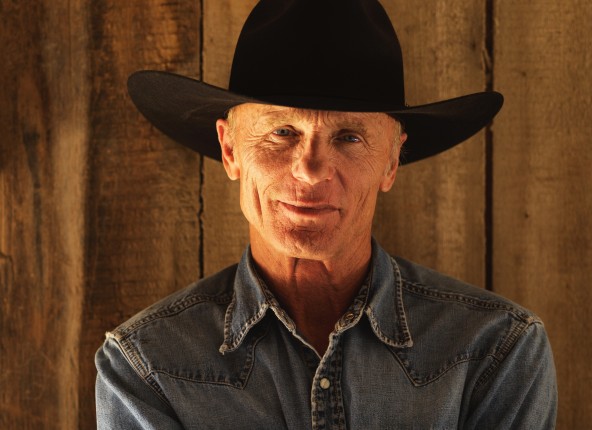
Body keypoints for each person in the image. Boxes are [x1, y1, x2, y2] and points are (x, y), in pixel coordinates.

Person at [95, 0, 557, 428]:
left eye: (349, 137)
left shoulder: (495, 350)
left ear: (391, 162)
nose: (311, 170)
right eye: (282, 132)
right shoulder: (147, 366)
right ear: (230, 149)